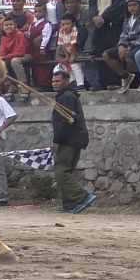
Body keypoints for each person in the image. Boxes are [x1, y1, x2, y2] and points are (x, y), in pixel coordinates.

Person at [51, 67, 95, 214]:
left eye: (58, 81)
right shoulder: (67, 96)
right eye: (53, 81)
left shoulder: (66, 97)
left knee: (61, 170)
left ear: (67, 81)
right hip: (74, 138)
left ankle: (80, 196)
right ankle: (69, 203)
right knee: (67, 170)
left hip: (69, 139)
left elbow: (65, 121)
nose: (54, 84)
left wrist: (56, 140)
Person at [86, 0, 132, 89]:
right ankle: (103, 83)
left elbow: (121, 2)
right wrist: (94, 16)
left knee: (114, 52)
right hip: (99, 23)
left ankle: (117, 82)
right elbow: (92, 0)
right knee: (100, 52)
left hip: (114, 23)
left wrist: (104, 17)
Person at [102, 0, 140, 93]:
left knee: (129, 57)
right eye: (129, 5)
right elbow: (123, 34)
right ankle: (125, 77)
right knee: (106, 55)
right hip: (127, 45)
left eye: (134, 5)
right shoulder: (128, 18)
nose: (132, 8)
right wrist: (121, 46)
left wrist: (130, 47)